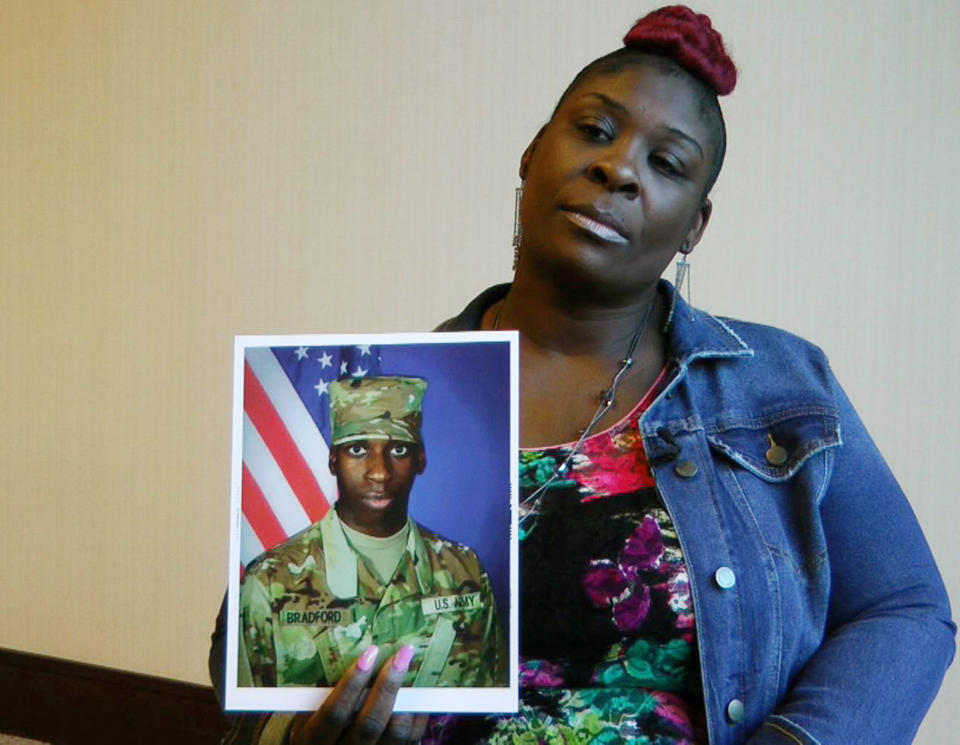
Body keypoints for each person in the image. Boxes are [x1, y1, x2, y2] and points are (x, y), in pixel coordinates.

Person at [212, 6, 954, 744]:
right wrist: (295, 730)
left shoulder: (781, 386)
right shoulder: (380, 398)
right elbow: (246, 645)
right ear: (534, 152)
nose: (619, 167)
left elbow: (908, 608)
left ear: (695, 223)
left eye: (667, 164)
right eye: (595, 131)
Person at [229, 376, 505, 739]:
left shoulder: (464, 570)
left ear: (421, 459)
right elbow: (246, 731)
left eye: (399, 450)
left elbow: (491, 721)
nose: (379, 471)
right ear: (333, 460)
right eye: (358, 449)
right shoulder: (269, 581)